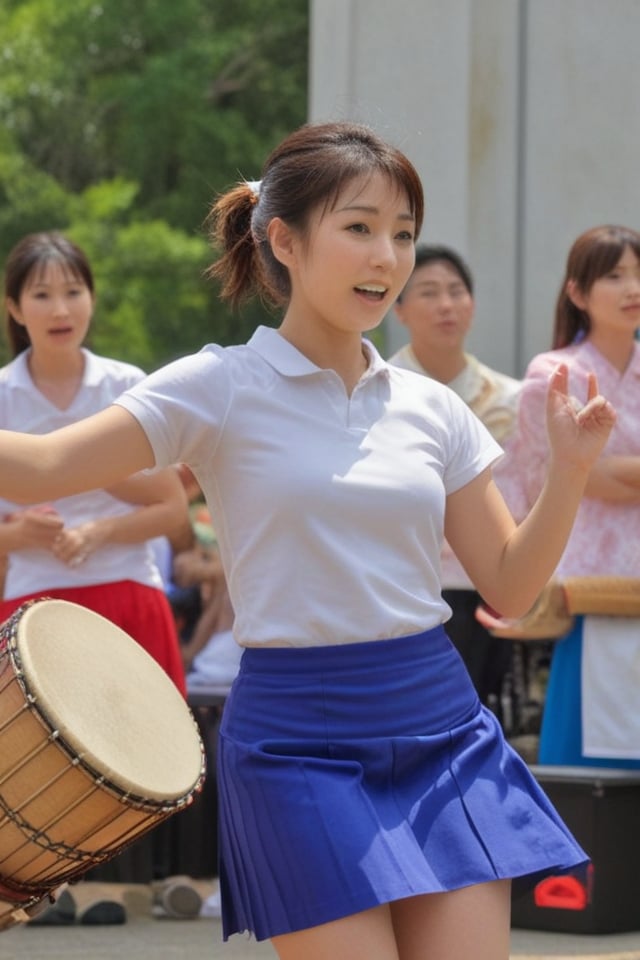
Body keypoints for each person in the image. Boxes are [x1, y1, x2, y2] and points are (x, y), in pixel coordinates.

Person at [0, 122, 617, 959]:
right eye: (358, 228)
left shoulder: (431, 406)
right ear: (284, 240)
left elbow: (509, 584)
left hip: (440, 726)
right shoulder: (218, 386)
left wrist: (571, 473)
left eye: (402, 234)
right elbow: (38, 466)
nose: (387, 258)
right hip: (297, 742)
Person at [0, 232, 191, 696]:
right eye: (41, 295)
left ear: (92, 298)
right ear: (16, 309)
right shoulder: (3, 396)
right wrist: (14, 536)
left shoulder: (127, 386)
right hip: (32, 604)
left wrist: (97, 532)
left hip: (126, 590)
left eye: (72, 292)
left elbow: (174, 509)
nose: (60, 310)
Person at [490, 224, 640, 769]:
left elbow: (600, 470)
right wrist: (595, 469)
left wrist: (609, 469)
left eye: (639, 274)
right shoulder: (553, 375)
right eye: (615, 274)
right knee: (592, 760)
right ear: (577, 292)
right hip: (588, 591)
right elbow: (580, 474)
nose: (633, 287)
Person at [388, 244, 521, 716]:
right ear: (398, 308)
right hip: (404, 589)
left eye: (456, 292)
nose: (446, 305)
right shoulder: (375, 394)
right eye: (428, 293)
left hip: (491, 586)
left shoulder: (513, 399)